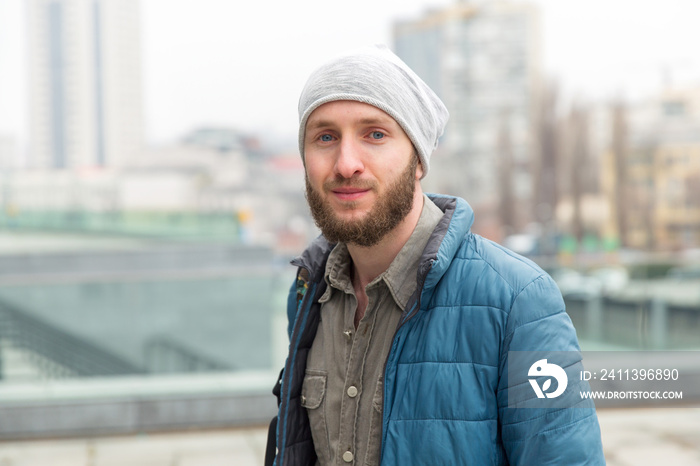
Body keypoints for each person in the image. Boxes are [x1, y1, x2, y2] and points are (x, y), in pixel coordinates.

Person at [266, 45, 604, 466]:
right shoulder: (308, 293)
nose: (346, 163)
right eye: (325, 137)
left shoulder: (518, 301)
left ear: (419, 159)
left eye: (375, 134)